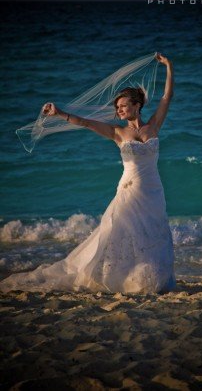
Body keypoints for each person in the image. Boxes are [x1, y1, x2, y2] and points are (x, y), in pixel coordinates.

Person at [0, 53, 176, 294]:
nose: (120, 110)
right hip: (129, 190)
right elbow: (85, 122)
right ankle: (116, 277)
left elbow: (167, 97)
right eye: (118, 107)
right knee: (120, 234)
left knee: (152, 234)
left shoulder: (154, 126)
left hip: (154, 191)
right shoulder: (117, 133)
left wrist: (169, 66)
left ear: (137, 105)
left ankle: (150, 279)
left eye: (124, 105)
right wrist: (59, 113)